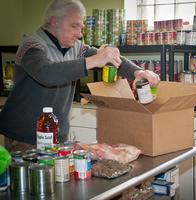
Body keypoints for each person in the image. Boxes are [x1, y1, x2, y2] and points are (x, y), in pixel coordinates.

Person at [0, 0, 160, 151]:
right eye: (74, 26)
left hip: (58, 137)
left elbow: (110, 60)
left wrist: (137, 72)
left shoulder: (76, 47)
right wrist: (95, 60)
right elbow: (46, 73)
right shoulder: (31, 45)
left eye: (81, 27)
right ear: (54, 21)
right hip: (23, 139)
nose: (79, 34)